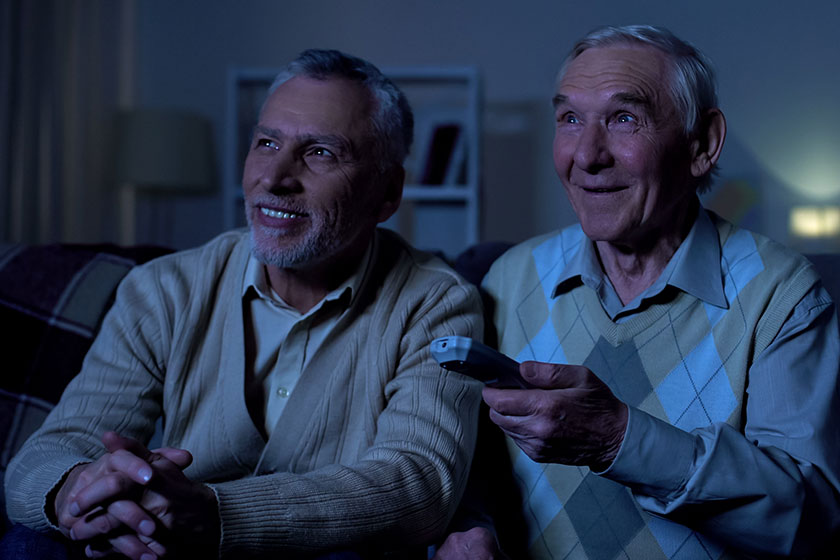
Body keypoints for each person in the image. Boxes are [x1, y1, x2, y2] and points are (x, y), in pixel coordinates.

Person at [4, 49, 484, 559]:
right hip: (161, 547)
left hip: (322, 553)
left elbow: (418, 481)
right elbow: (47, 454)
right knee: (30, 544)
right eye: (266, 142)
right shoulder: (164, 289)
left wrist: (216, 513)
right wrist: (83, 491)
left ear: (387, 193)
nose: (273, 177)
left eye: (319, 152)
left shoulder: (436, 303)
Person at [436, 25, 840, 559]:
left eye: (624, 118)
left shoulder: (780, 292)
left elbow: (809, 518)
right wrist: (469, 524)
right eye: (570, 119)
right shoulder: (510, 276)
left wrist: (618, 439)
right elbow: (474, 467)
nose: (586, 154)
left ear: (702, 145)